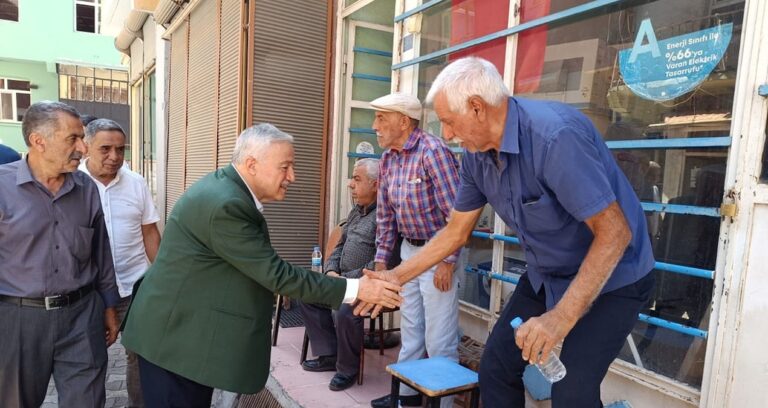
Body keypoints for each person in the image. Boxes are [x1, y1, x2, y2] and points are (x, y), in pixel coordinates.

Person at [360, 57, 655, 407]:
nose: (447, 135)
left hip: (615, 275)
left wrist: (559, 318)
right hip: (548, 271)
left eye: (449, 122)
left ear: (477, 108)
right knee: (496, 369)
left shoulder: (554, 138)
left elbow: (615, 234)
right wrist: (393, 277)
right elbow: (455, 232)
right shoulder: (476, 155)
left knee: (572, 391)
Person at [121, 123, 403, 407]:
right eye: (285, 167)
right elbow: (277, 275)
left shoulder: (228, 191)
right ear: (252, 164)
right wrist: (357, 288)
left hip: (182, 336)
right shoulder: (226, 205)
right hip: (173, 344)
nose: (292, 176)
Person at [0, 101, 120, 407]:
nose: (83, 147)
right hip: (18, 321)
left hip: (82, 317)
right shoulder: (2, 187)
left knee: (88, 401)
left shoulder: (86, 188)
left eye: (82, 137)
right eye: (73, 139)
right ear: (39, 140)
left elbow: (101, 253)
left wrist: (109, 307)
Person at [367, 93, 461, 408]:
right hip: (409, 252)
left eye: (382, 118)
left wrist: (448, 261)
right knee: (410, 334)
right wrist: (382, 265)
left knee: (439, 340)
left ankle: (442, 404)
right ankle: (405, 399)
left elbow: (456, 214)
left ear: (404, 121)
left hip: (437, 255)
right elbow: (386, 217)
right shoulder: (387, 159)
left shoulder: (433, 152)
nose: (374, 126)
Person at [80, 118, 161, 408]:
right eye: (105, 148)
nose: (114, 156)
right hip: (89, 292)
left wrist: (164, 278)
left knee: (140, 355)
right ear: (85, 146)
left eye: (120, 149)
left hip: (135, 285)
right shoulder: (73, 184)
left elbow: (149, 232)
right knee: (88, 357)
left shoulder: (136, 183)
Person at [298, 158, 381, 392]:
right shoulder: (357, 212)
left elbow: (383, 263)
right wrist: (331, 271)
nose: (350, 185)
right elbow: (339, 247)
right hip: (341, 279)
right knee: (306, 291)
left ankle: (347, 369)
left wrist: (347, 278)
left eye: (357, 179)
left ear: (376, 184)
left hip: (368, 285)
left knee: (347, 309)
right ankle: (328, 354)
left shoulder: (385, 217)